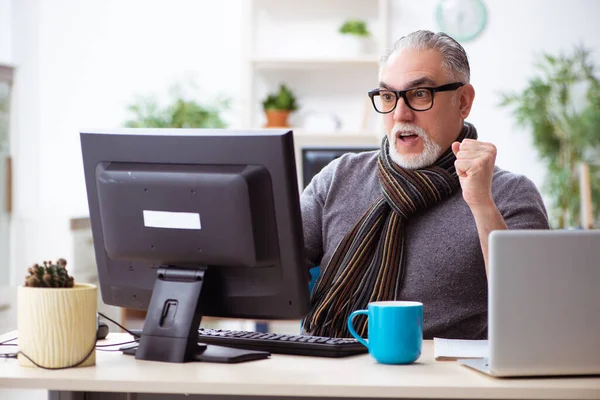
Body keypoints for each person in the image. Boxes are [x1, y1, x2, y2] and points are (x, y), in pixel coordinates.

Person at [300, 30, 549, 340]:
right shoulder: (338, 177)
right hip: (330, 367)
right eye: (388, 97)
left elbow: (531, 311)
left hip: (444, 383)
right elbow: (273, 272)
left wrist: (481, 204)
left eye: (419, 94)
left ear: (463, 101)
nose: (400, 114)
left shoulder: (509, 194)